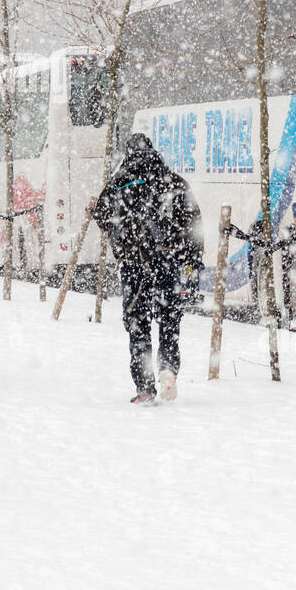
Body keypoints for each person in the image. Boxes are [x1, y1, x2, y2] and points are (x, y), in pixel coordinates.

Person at [92, 133, 203, 405]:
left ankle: (145, 387)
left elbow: (101, 215)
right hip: (169, 264)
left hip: (134, 266)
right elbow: (193, 225)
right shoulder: (174, 182)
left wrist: (121, 240)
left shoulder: (120, 183)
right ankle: (167, 369)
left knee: (137, 325)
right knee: (169, 323)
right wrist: (191, 261)